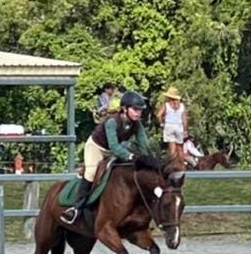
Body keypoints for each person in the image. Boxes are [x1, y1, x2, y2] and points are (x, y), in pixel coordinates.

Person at [63, 90, 152, 224]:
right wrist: (130, 156)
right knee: (91, 172)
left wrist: (148, 159)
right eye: (135, 109)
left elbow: (144, 144)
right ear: (124, 109)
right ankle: (75, 208)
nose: (138, 113)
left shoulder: (136, 124)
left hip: (112, 150)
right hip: (96, 147)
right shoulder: (112, 122)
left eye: (140, 110)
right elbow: (115, 146)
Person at [156, 86, 189, 165]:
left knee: (172, 149)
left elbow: (158, 115)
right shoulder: (182, 106)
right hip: (179, 127)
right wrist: (185, 130)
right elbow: (184, 119)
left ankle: (173, 165)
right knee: (180, 148)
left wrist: (161, 123)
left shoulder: (166, 105)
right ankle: (181, 164)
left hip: (169, 126)